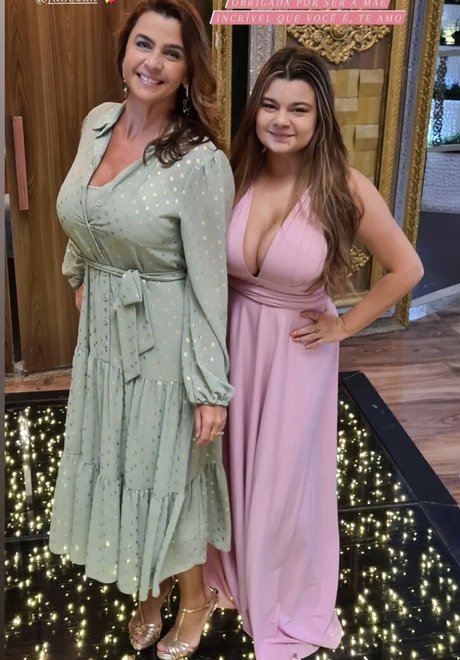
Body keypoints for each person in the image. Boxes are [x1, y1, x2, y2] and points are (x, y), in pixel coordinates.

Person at [205, 46, 424, 660]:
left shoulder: (343, 187)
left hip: (297, 352)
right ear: (255, 111)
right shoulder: (236, 173)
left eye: (298, 109)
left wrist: (344, 325)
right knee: (227, 465)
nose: (281, 120)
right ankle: (233, 571)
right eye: (270, 105)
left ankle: (278, 593)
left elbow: (406, 269)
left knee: (281, 483)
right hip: (233, 339)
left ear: (320, 116)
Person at [48, 2, 235, 658]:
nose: (152, 62)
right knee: (121, 460)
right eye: (143, 44)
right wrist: (80, 270)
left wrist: (209, 387)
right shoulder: (97, 123)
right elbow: (82, 208)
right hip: (104, 333)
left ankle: (196, 597)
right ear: (124, 49)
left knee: (169, 473)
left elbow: (210, 283)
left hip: (166, 340)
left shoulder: (200, 161)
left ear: (188, 70)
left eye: (172, 52)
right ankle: (145, 589)